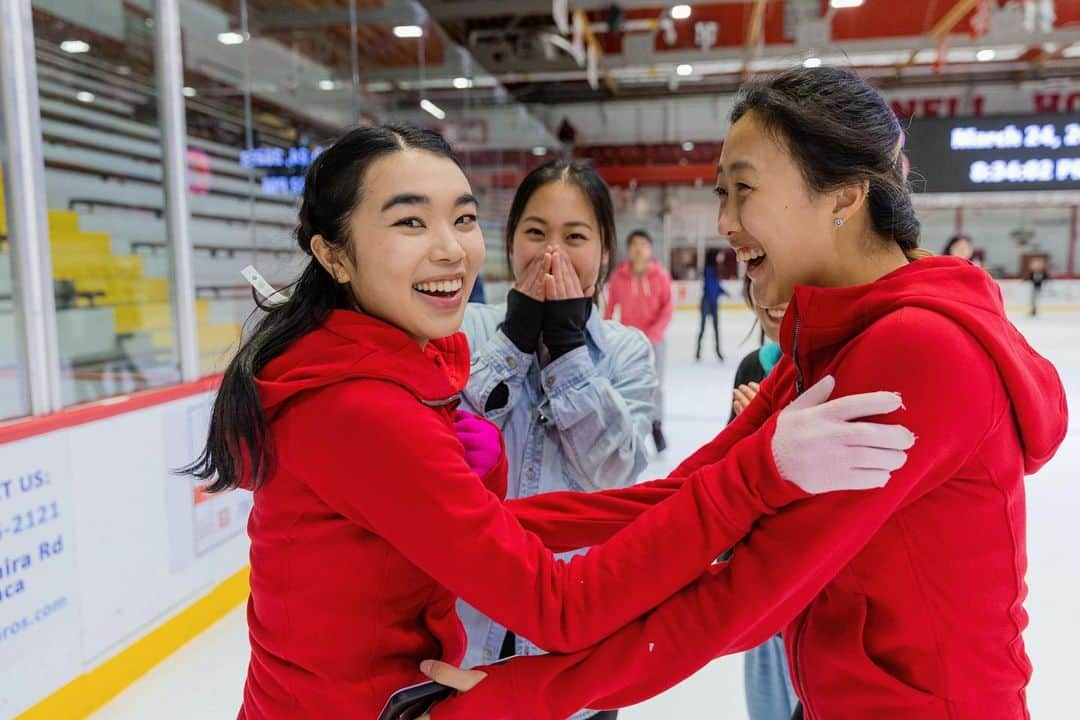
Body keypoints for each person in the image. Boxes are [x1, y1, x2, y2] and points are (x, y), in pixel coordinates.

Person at [180, 124, 911, 719]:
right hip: (453, 661)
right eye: (410, 220)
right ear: (333, 254)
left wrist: (566, 356)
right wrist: (755, 478)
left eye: (461, 218)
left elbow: (610, 473)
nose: (449, 247)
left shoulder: (409, 365)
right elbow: (555, 600)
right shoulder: (371, 400)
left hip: (472, 662)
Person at [419, 66, 1068, 720]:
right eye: (720, 192)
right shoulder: (829, 339)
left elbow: (745, 593)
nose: (725, 222)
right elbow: (682, 493)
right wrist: (456, 529)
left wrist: (523, 694)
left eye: (744, 191)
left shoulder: (920, 353)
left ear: (843, 197)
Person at [457, 162, 652, 720]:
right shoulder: (465, 331)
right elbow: (448, 456)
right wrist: (514, 341)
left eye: (575, 237)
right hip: (466, 632)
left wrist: (567, 351)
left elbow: (616, 473)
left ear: (605, 251)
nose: (552, 255)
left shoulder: (625, 352)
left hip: (579, 643)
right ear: (511, 239)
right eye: (536, 233)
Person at [730, 276, 798, 720]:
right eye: (758, 277)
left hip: (818, 601)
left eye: (787, 284)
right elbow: (728, 481)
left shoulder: (846, 365)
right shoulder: (754, 366)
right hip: (764, 599)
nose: (771, 299)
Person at [604, 228, 675, 452]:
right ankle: (629, 429)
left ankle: (656, 425)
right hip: (628, 344)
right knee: (627, 387)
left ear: (650, 249)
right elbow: (609, 308)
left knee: (656, 386)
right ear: (628, 249)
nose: (638, 249)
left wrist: (653, 334)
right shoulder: (618, 277)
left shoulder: (661, 275)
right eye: (634, 244)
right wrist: (606, 334)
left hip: (655, 341)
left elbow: (668, 308)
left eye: (643, 244)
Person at [697, 247, 727, 361]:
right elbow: (711, 287)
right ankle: (698, 351)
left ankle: (718, 351)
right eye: (718, 256)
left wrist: (723, 292)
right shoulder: (709, 269)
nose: (720, 258)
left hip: (713, 302)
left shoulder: (715, 269)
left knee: (715, 328)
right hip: (707, 302)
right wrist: (716, 295)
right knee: (703, 327)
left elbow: (716, 286)